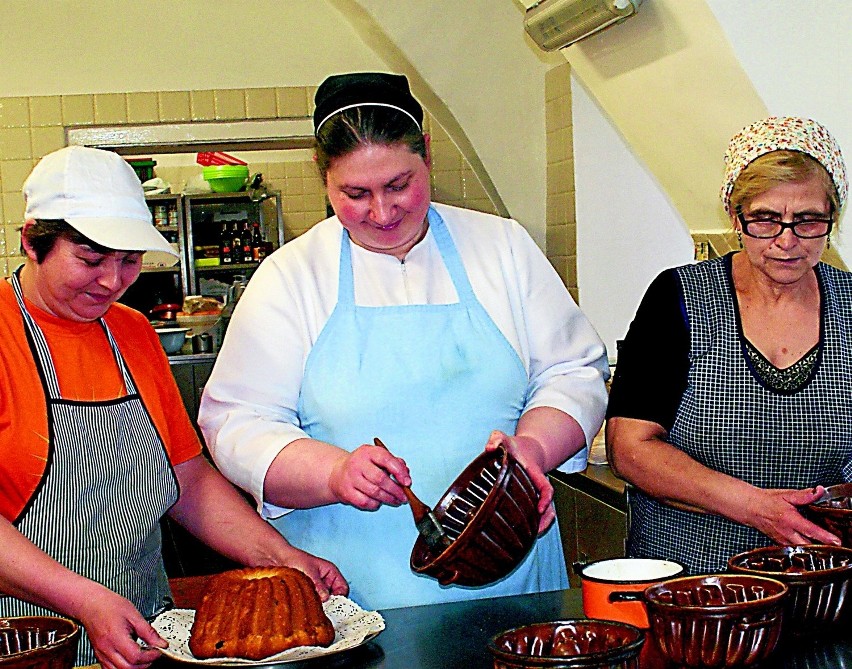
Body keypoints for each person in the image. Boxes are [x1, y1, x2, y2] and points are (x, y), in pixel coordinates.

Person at [197, 72, 609, 610]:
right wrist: (334, 472)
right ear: (324, 179)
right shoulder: (291, 277)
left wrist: (532, 447)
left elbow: (573, 372)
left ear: (428, 157)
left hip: (513, 580)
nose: (383, 213)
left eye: (398, 185)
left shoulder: (501, 248)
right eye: (355, 193)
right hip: (352, 591)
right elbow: (238, 422)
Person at [0, 146, 347, 669]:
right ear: (31, 242)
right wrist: (84, 602)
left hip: (144, 633)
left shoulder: (132, 333)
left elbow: (187, 478)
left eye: (129, 261)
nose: (112, 282)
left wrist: (281, 558)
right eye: (91, 259)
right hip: (25, 642)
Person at [606, 117, 851, 574]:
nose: (786, 241)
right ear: (736, 217)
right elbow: (630, 448)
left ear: (831, 220)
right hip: (692, 588)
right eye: (765, 219)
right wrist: (754, 507)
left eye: (808, 221)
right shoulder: (679, 298)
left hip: (822, 584)